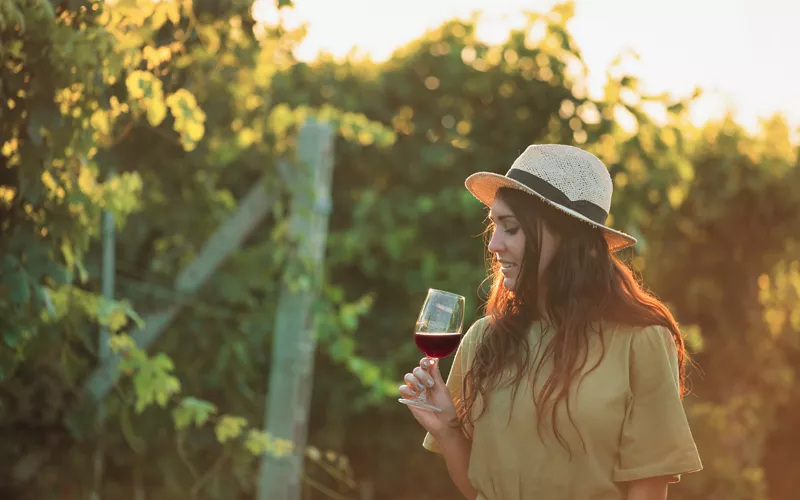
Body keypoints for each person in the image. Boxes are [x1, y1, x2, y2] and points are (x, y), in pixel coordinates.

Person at [398, 144, 702, 500]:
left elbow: (649, 488)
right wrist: (448, 429)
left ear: (568, 238)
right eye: (494, 226)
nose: (494, 244)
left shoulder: (641, 341)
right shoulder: (483, 338)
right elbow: (481, 490)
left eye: (511, 228)